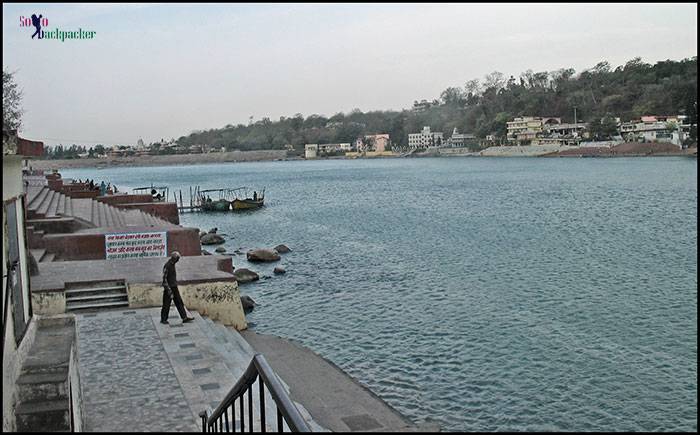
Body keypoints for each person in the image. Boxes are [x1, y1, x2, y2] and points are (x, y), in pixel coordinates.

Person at [161, 251, 194, 325]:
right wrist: (169, 290)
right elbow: (164, 279)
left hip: (174, 286)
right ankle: (163, 319)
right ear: (174, 258)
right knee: (166, 304)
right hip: (169, 288)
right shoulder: (167, 266)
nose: (178, 260)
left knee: (179, 302)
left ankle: (184, 317)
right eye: (178, 258)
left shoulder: (172, 264)